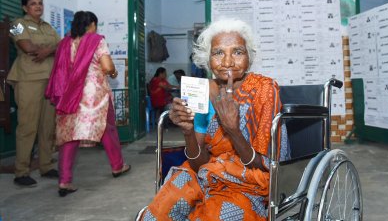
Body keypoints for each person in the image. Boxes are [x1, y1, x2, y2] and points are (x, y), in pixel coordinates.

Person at [136, 19, 289, 220]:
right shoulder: (203, 92)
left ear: (249, 58)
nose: (227, 62)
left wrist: (232, 130)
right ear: (207, 59)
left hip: (250, 181)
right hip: (206, 173)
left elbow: (265, 167)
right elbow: (200, 164)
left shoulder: (265, 91)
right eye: (218, 53)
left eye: (237, 52)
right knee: (158, 210)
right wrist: (188, 132)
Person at [45, 11, 131, 197]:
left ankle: (64, 180)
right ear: (92, 24)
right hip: (93, 95)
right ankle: (117, 166)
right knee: (107, 129)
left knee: (69, 136)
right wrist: (115, 73)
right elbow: (107, 67)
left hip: (69, 94)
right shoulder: (96, 40)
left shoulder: (64, 43)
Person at [7, 0, 60, 187]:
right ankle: (21, 171)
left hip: (49, 80)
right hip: (28, 79)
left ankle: (46, 166)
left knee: (47, 127)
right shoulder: (17, 24)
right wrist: (50, 48)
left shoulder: (48, 27)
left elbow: (61, 46)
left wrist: (46, 50)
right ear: (25, 7)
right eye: (33, 4)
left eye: (40, 3)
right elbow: (26, 46)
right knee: (27, 126)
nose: (38, 6)